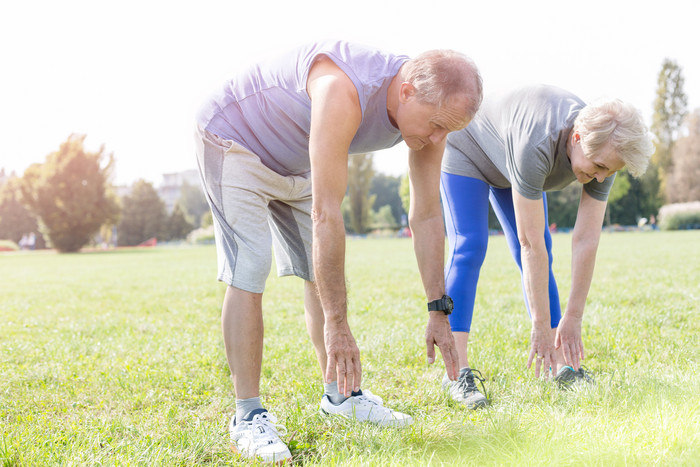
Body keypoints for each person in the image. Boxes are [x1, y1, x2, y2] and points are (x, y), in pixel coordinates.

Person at [194, 40, 482, 462]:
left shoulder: (432, 119)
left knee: (318, 272)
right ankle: (247, 416)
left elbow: (426, 216)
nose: (439, 137)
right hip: (233, 141)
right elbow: (327, 213)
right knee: (250, 266)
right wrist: (337, 325)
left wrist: (438, 309)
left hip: (296, 162)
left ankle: (341, 397)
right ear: (406, 92)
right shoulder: (342, 90)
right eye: (437, 124)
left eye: (448, 130)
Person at [438, 85, 654, 408]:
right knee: (471, 245)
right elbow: (530, 244)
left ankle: (560, 365)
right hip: (469, 147)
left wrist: (574, 316)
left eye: (608, 171)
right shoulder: (538, 142)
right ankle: (456, 373)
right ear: (578, 138)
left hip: (509, 162)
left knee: (545, 250)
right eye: (597, 167)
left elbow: (586, 238)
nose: (600, 178)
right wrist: (539, 324)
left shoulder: (607, 151)